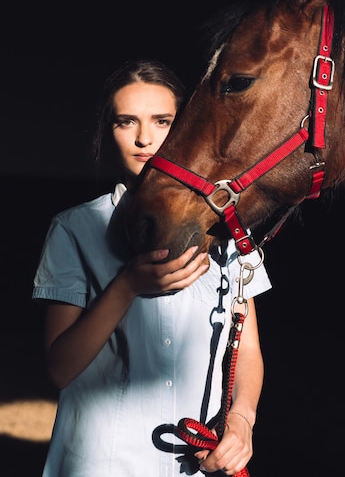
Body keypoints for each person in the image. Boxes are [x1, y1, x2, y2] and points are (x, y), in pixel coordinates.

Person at [33, 59, 272, 476]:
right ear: (108, 133)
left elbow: (247, 348)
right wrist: (126, 287)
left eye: (162, 121)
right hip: (103, 462)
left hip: (199, 465)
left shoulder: (228, 229)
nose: (145, 138)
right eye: (127, 122)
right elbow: (59, 369)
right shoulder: (74, 229)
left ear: (188, 128)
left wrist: (242, 420)